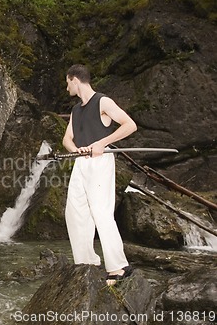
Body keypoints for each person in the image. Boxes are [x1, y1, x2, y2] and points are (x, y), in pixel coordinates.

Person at [62, 64, 137, 286]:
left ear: (74, 79)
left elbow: (129, 125)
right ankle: (87, 262)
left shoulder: (102, 102)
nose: (67, 89)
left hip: (101, 162)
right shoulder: (76, 111)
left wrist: (103, 143)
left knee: (101, 213)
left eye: (67, 83)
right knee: (74, 213)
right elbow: (67, 139)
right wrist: (77, 150)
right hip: (81, 163)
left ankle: (118, 267)